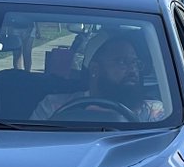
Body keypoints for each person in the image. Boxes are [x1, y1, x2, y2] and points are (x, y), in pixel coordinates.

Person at [31, 34, 165, 122]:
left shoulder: (153, 113)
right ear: (95, 69)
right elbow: (32, 147)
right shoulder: (53, 106)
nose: (133, 69)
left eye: (135, 62)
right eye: (121, 62)